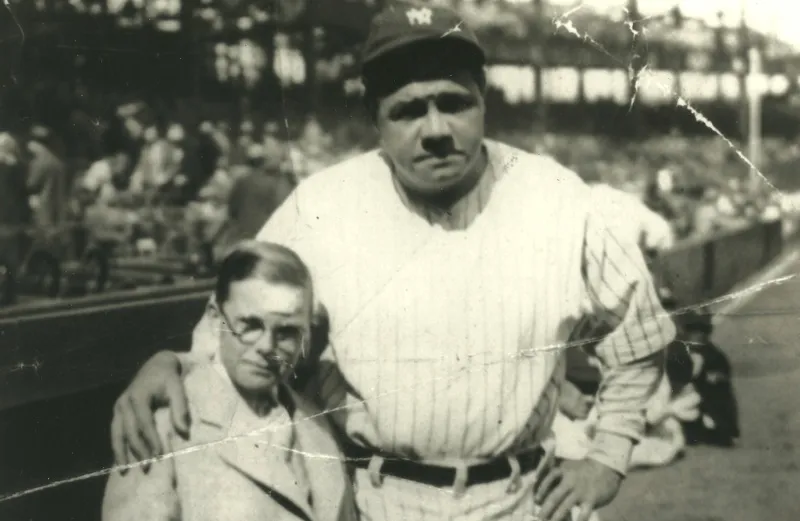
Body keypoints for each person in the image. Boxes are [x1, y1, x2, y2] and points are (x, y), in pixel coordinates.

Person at [111, 3, 674, 521]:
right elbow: (234, 327)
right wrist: (176, 364)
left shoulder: (557, 198)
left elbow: (640, 332)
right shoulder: (321, 206)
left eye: (453, 103)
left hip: (525, 496)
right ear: (374, 119)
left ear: (483, 99)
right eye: (408, 111)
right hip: (377, 499)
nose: (436, 131)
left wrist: (609, 456)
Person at [102, 241, 357, 521]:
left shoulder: (317, 425)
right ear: (215, 319)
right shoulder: (167, 426)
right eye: (250, 325)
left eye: (286, 332)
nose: (267, 346)